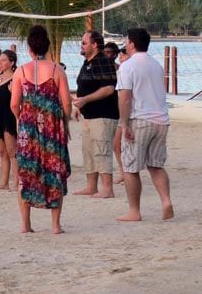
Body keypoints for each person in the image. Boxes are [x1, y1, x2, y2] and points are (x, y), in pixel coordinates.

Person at [11, 25, 72, 234]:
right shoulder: (57, 70)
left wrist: (23, 118)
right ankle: (55, 225)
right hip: (52, 129)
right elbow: (66, 103)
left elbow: (14, 103)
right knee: (54, 172)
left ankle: (25, 224)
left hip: (28, 129)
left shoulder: (20, 71)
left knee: (26, 173)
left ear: (29, 48)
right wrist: (64, 123)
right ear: (46, 46)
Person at [116, 28, 174, 222]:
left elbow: (125, 98)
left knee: (131, 167)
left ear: (132, 43)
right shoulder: (156, 64)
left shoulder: (127, 66)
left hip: (140, 119)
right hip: (161, 120)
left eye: (126, 40)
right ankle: (166, 201)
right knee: (156, 165)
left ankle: (134, 210)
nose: (124, 44)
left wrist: (124, 124)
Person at [72, 30, 118, 198]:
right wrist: (79, 105)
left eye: (84, 43)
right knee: (88, 151)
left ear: (94, 45)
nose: (81, 46)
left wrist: (86, 100)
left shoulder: (103, 61)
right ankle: (91, 186)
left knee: (101, 150)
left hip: (104, 114)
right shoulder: (87, 62)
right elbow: (83, 87)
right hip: (88, 115)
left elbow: (108, 88)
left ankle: (107, 188)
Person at [0, 49, 19, 190]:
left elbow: (19, 100)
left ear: (11, 62)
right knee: (2, 152)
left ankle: (16, 181)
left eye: (3, 60)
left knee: (12, 151)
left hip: (9, 118)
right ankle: (4, 182)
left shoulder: (15, 79)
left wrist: (13, 91)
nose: (0, 63)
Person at [111, 45, 129, 183]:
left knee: (122, 144)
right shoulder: (119, 70)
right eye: (120, 56)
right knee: (116, 144)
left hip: (128, 113)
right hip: (119, 112)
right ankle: (124, 172)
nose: (120, 58)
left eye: (123, 55)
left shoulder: (126, 70)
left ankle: (127, 173)